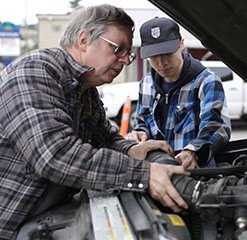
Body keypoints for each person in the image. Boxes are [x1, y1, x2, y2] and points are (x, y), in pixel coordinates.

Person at [0, 5, 189, 238]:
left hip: (43, 219)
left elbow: (105, 139)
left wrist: (132, 150)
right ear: (84, 40)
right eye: (118, 49)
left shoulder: (86, 89)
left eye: (128, 53)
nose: (125, 61)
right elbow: (54, 155)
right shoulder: (34, 71)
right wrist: (144, 174)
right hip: (10, 223)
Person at [128, 17, 231, 169]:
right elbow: (143, 122)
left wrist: (193, 152)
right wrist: (139, 133)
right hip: (156, 171)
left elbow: (217, 126)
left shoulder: (206, 81)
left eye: (167, 53)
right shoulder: (146, 83)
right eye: (154, 56)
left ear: (181, 44)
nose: (162, 62)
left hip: (196, 173)